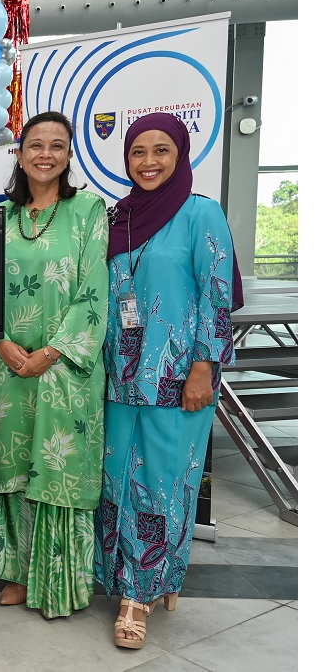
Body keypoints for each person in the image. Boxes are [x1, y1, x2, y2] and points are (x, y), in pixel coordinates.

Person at [94, 112, 242, 649]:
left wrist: (204, 366)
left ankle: (141, 593)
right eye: (138, 151)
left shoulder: (201, 213)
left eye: (161, 151)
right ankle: (117, 576)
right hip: (118, 378)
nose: (149, 161)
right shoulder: (118, 216)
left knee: (162, 486)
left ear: (181, 155)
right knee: (115, 482)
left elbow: (217, 295)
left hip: (177, 378)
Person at [0, 111, 109, 619]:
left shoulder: (89, 211)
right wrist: (0, 343)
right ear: (20, 153)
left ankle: (59, 579)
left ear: (69, 155)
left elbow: (95, 288)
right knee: (10, 468)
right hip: (6, 367)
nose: (45, 154)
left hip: (65, 369)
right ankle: (16, 572)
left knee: (58, 467)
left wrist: (51, 352)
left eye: (56, 145)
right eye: (35, 145)